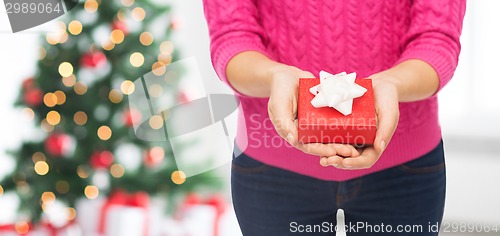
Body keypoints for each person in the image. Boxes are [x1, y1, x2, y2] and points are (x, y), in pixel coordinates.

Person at [202, 1, 466, 235]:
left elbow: (437, 39)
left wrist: (393, 83)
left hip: (405, 166)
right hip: (270, 163)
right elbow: (231, 37)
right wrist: (274, 76)